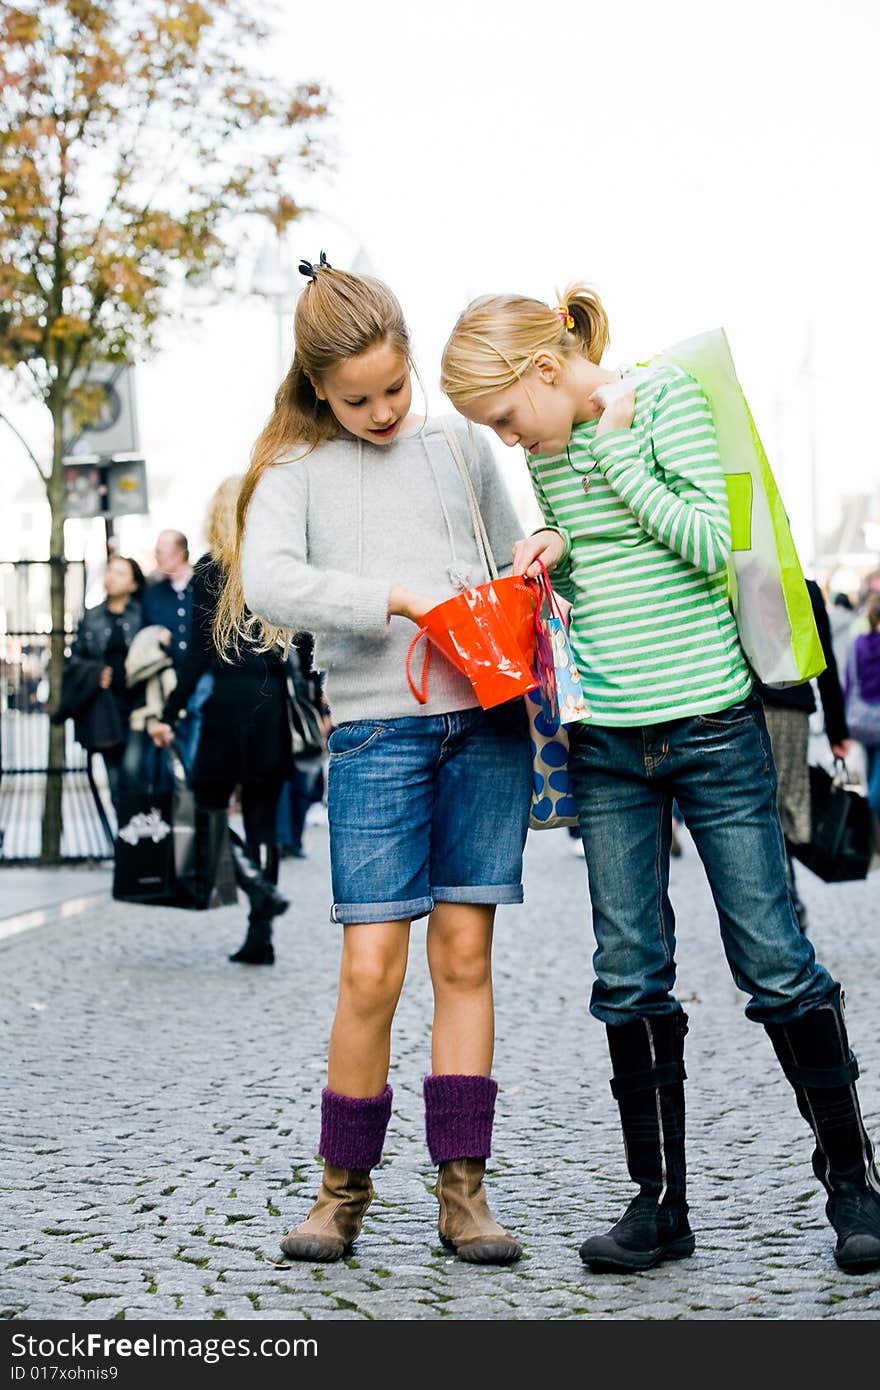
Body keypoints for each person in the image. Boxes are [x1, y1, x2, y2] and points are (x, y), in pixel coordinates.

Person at [439, 283, 880, 1275]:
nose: (512, 443)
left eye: (509, 418)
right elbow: (607, 563)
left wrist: (616, 451)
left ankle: (853, 1186)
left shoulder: (666, 397)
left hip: (714, 730)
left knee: (775, 961)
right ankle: (660, 1203)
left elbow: (713, 548)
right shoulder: (553, 453)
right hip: (608, 749)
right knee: (627, 974)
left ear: (545, 370)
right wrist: (554, 549)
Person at [216, 255, 533, 1266]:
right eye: (359, 398)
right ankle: (339, 1190)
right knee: (368, 969)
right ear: (319, 387)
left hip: (482, 724)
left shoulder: (453, 445)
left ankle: (464, 1193)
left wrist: (536, 563)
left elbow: (508, 550)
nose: (386, 408)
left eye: (396, 387)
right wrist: (393, 599)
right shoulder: (293, 473)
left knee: (465, 956)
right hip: (374, 732)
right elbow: (268, 578)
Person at [150, 477, 292, 966]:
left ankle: (256, 890)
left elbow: (197, 659)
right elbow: (305, 644)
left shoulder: (212, 570)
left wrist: (169, 712)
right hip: (271, 704)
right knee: (263, 821)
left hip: (229, 704)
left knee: (207, 807)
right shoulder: (279, 563)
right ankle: (262, 930)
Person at [755, 578, 850, 930]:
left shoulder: (745, 582)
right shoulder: (804, 588)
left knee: (760, 807)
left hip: (751, 704)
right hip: (793, 710)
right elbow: (824, 661)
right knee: (788, 808)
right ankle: (788, 902)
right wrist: (838, 732)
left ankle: (783, 902)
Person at [59, 555, 145, 815]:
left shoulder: (142, 613)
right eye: (110, 571)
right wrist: (96, 673)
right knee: (115, 778)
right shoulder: (92, 616)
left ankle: (140, 837)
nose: (111, 577)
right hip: (106, 709)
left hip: (138, 705)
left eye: (120, 573)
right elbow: (75, 658)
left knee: (133, 770)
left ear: (133, 584)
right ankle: (125, 841)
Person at [142, 529, 208, 779]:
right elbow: (144, 630)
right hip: (167, 676)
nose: (157, 557)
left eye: (161, 551)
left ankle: (201, 791)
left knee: (198, 724)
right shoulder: (154, 593)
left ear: (179, 553)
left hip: (202, 674)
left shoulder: (202, 585)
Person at [844, 591, 880, 818]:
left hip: (859, 720)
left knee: (867, 773)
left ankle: (869, 835)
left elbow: (849, 682)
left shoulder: (857, 644)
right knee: (876, 782)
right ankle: (872, 814)